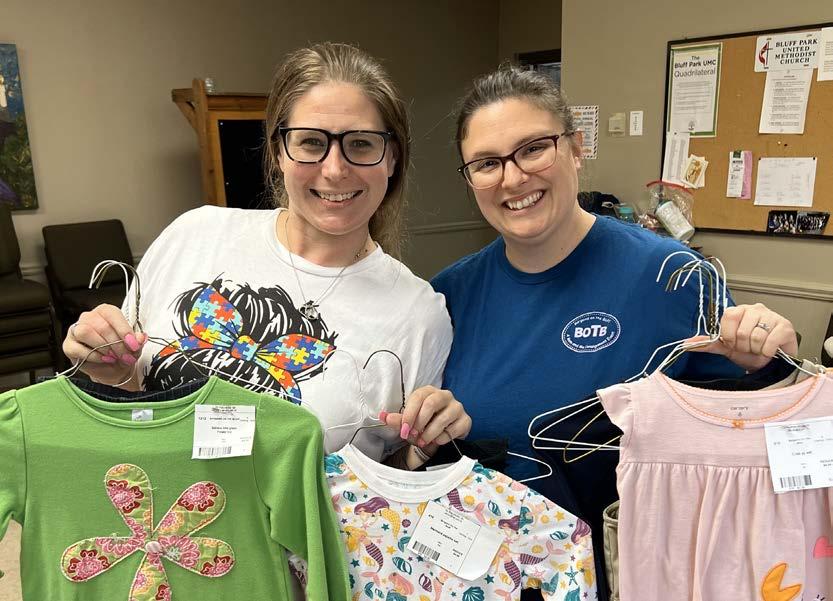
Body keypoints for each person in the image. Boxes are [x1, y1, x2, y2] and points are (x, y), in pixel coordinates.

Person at [420, 65, 799, 600]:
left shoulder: (673, 276)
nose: (513, 178)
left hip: (635, 579)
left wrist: (773, 361)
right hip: (484, 581)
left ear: (576, 149)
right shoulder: (448, 296)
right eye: (487, 163)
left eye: (534, 149)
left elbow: (746, 440)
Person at [61, 42, 471, 469]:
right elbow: (130, 393)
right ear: (278, 152)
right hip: (147, 501)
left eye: (362, 144)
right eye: (311, 142)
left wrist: (424, 445)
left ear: (393, 157)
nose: (334, 169)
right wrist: (108, 368)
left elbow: (389, 480)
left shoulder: (418, 315)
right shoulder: (193, 235)